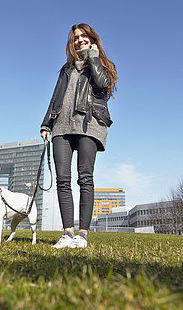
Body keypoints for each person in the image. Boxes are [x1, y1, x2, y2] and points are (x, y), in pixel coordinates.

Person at [41, 23, 118, 248]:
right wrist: (46, 124)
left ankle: (82, 235)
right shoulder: (66, 69)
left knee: (85, 178)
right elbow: (55, 97)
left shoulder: (102, 64)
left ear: (92, 38)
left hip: (89, 124)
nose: (79, 40)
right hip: (62, 127)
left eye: (84, 36)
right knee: (62, 180)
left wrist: (93, 56)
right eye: (75, 37)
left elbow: (102, 84)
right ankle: (67, 233)